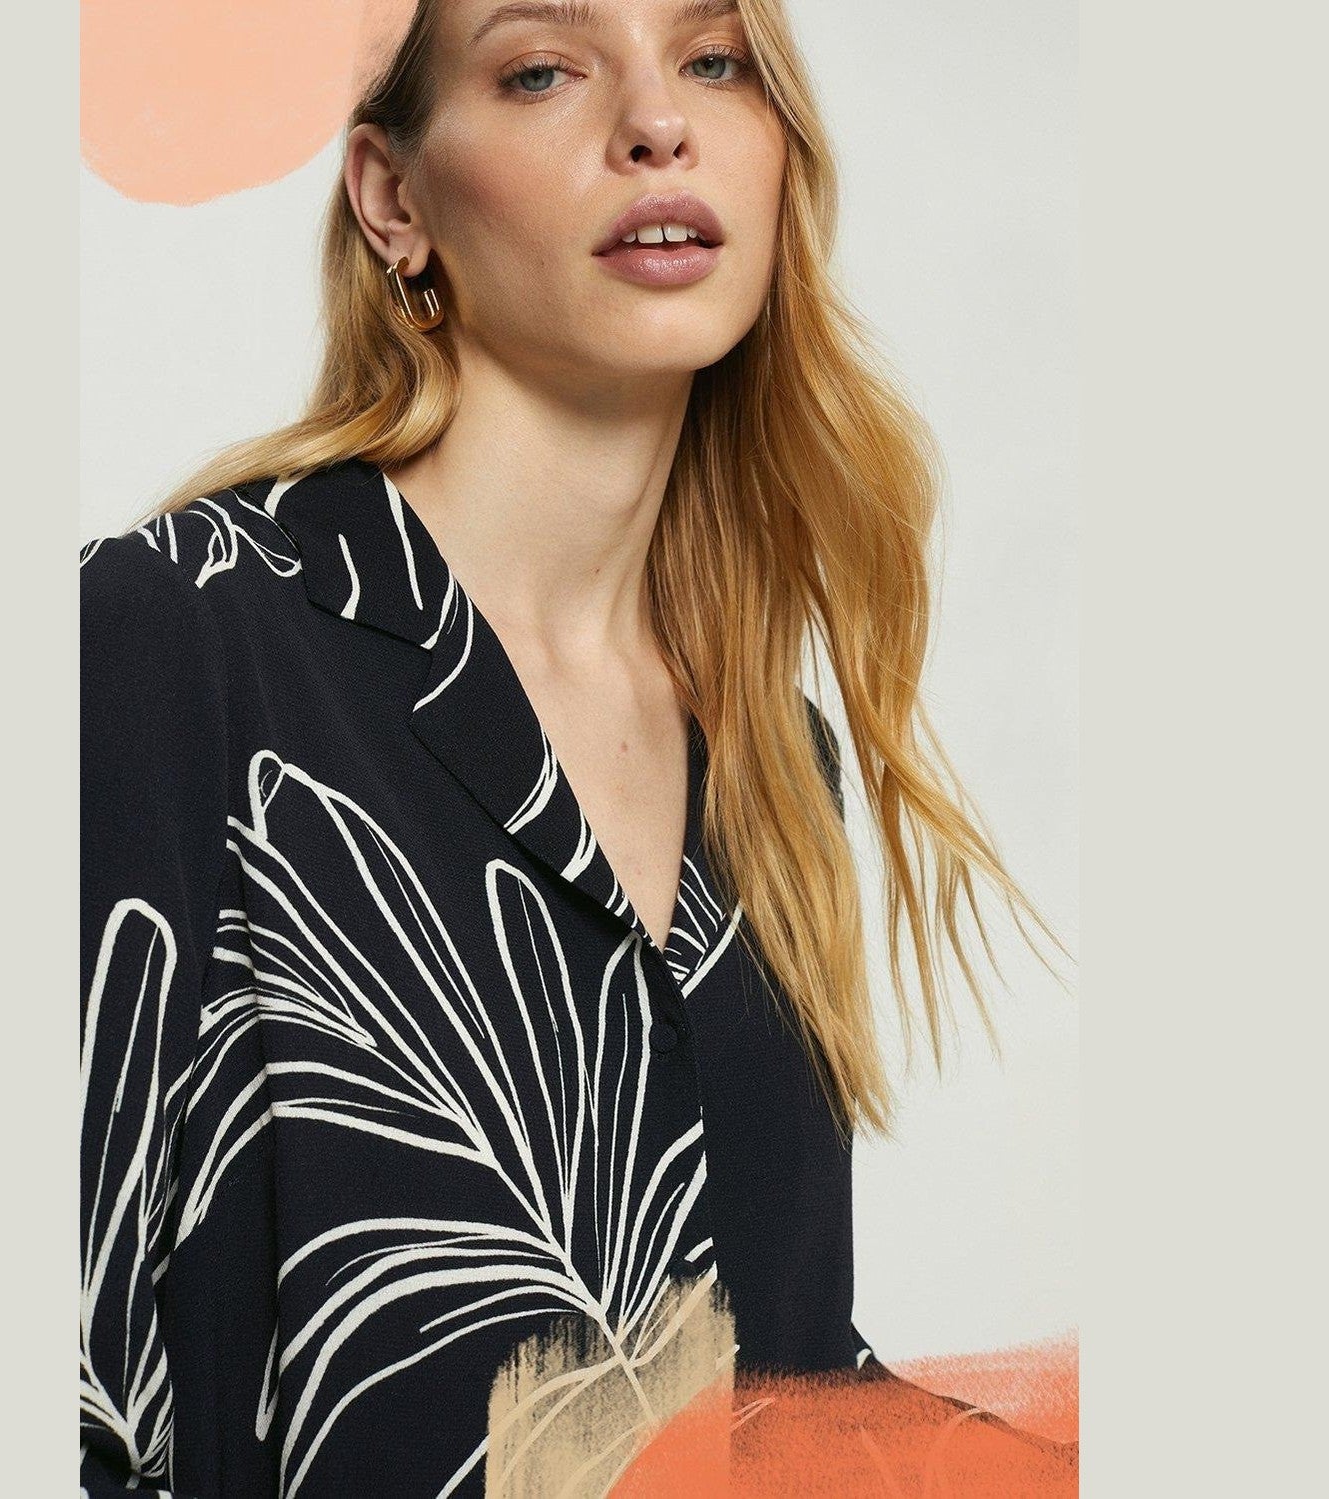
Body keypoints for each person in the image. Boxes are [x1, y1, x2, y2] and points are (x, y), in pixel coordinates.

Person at [80, 1, 1065, 1494]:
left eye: (714, 61)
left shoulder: (773, 763)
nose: (657, 125)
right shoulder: (177, 638)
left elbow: (778, 1386)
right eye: (541, 71)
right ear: (393, 198)